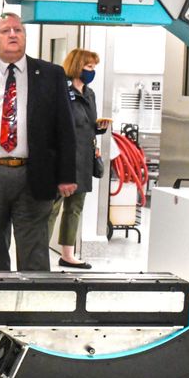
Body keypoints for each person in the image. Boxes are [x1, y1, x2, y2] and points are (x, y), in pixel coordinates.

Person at [0, 12, 76, 337]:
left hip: (33, 176)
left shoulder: (49, 75)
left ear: (25, 37)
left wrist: (66, 174)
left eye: (18, 30)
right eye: (5, 30)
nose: (12, 34)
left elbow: (65, 128)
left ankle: (34, 317)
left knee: (33, 250)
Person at [48, 48, 111, 268]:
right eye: (89, 67)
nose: (92, 71)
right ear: (77, 66)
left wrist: (98, 129)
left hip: (84, 157)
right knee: (51, 208)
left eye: (94, 67)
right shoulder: (60, 90)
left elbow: (88, 123)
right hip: (62, 159)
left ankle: (67, 254)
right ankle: (38, 257)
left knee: (74, 208)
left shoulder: (89, 93)